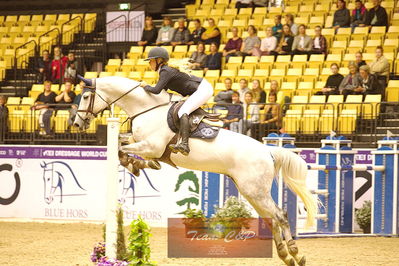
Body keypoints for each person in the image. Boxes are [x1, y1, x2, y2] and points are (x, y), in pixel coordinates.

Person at [139, 47, 214, 155]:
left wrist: (145, 86)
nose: (149, 63)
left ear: (159, 60)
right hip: (199, 89)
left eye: (151, 61)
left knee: (182, 111)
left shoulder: (165, 71)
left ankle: (184, 144)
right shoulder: (164, 71)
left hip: (203, 89)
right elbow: (162, 92)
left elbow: (156, 90)